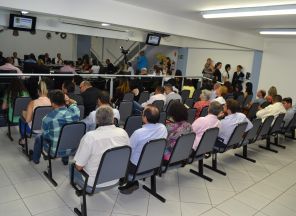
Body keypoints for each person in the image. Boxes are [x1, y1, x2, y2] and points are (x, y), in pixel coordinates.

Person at [71, 105, 130, 188]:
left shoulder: (90, 137)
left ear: (97, 121)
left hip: (94, 182)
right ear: (113, 119)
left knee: (72, 165)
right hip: (116, 177)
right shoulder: (123, 133)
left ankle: (75, 185)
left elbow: (79, 166)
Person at [119, 104, 167, 194]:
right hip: (155, 164)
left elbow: (128, 150)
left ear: (145, 118)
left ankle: (129, 181)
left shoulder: (138, 133)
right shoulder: (163, 128)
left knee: (122, 154)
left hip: (137, 167)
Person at [29, 90, 80, 164]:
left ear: (52, 103)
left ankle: (35, 159)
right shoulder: (75, 112)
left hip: (55, 151)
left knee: (39, 137)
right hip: (73, 149)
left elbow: (45, 136)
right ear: (64, 101)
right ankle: (65, 160)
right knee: (66, 133)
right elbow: (74, 103)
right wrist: (69, 100)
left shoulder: (47, 119)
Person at [18, 81, 51, 146]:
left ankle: (23, 140)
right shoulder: (52, 102)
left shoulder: (33, 103)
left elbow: (27, 120)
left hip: (34, 129)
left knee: (21, 119)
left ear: (38, 91)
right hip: (47, 129)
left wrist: (23, 114)